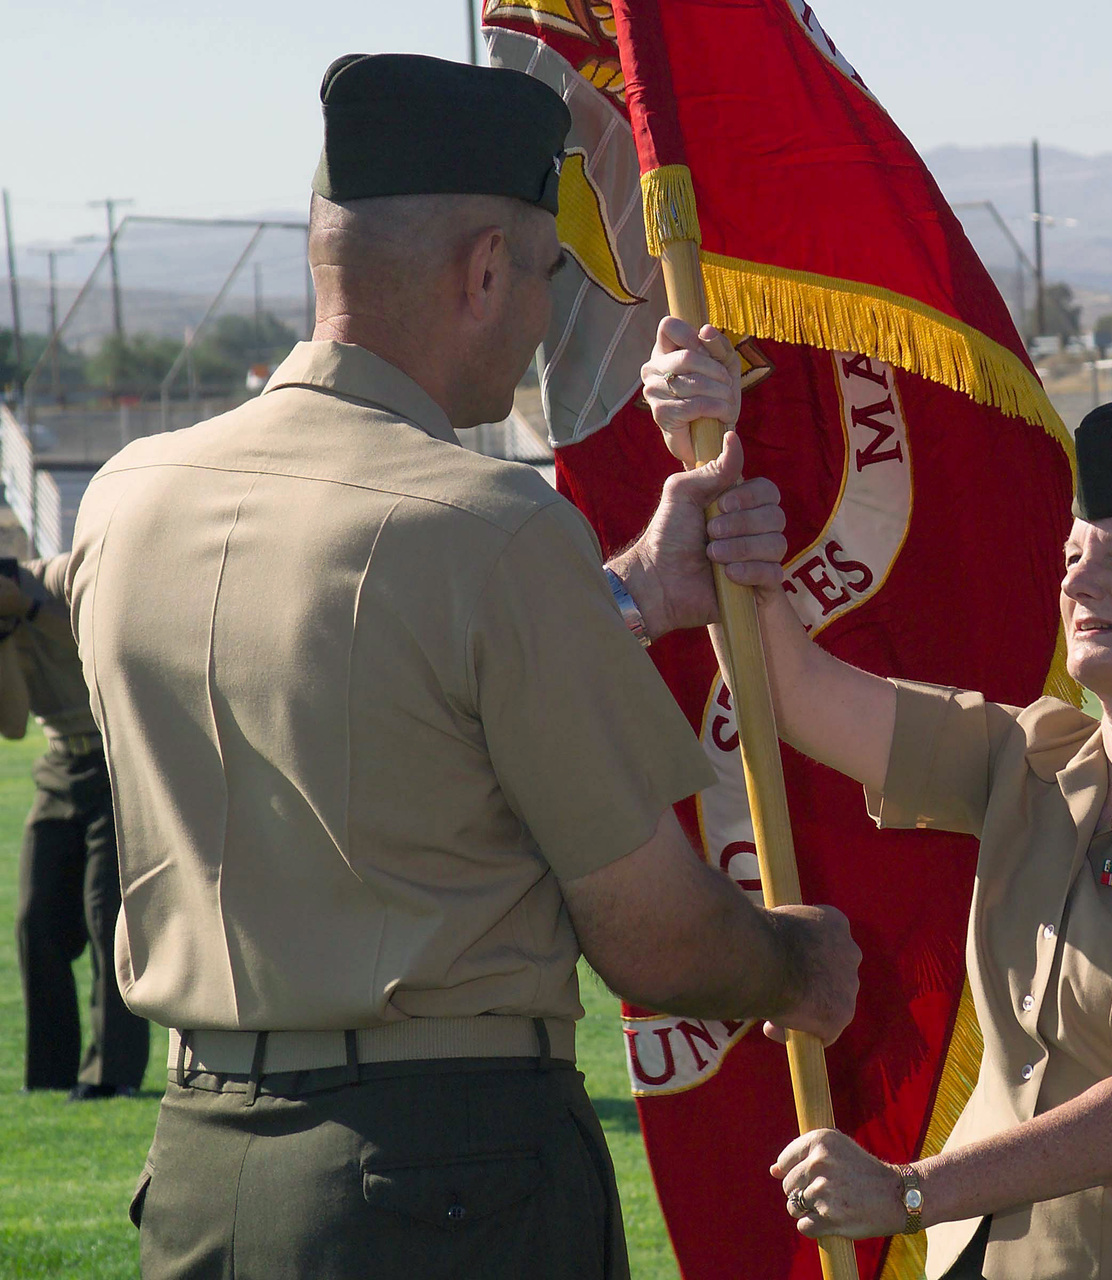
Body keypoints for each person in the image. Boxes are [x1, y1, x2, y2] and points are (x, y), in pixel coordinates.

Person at [65, 54, 858, 1280]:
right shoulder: (492, 526)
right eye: (544, 275)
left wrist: (630, 592)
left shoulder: (127, 500)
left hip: (201, 1166)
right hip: (446, 1174)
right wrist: (798, 961)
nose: (543, 319)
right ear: (486, 268)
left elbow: (341, 664)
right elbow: (655, 940)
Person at [644, 321, 1112, 1280]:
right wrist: (708, 461)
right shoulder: (1028, 756)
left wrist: (909, 1191)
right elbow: (792, 693)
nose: (1080, 582)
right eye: (1072, 555)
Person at [4, 554, 148, 1099]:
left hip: (118, 764)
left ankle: (111, 1076)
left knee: (106, 915)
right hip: (59, 767)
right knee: (35, 920)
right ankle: (49, 1076)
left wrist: (33, 610)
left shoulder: (61, 577)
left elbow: (103, 642)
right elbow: (14, 724)